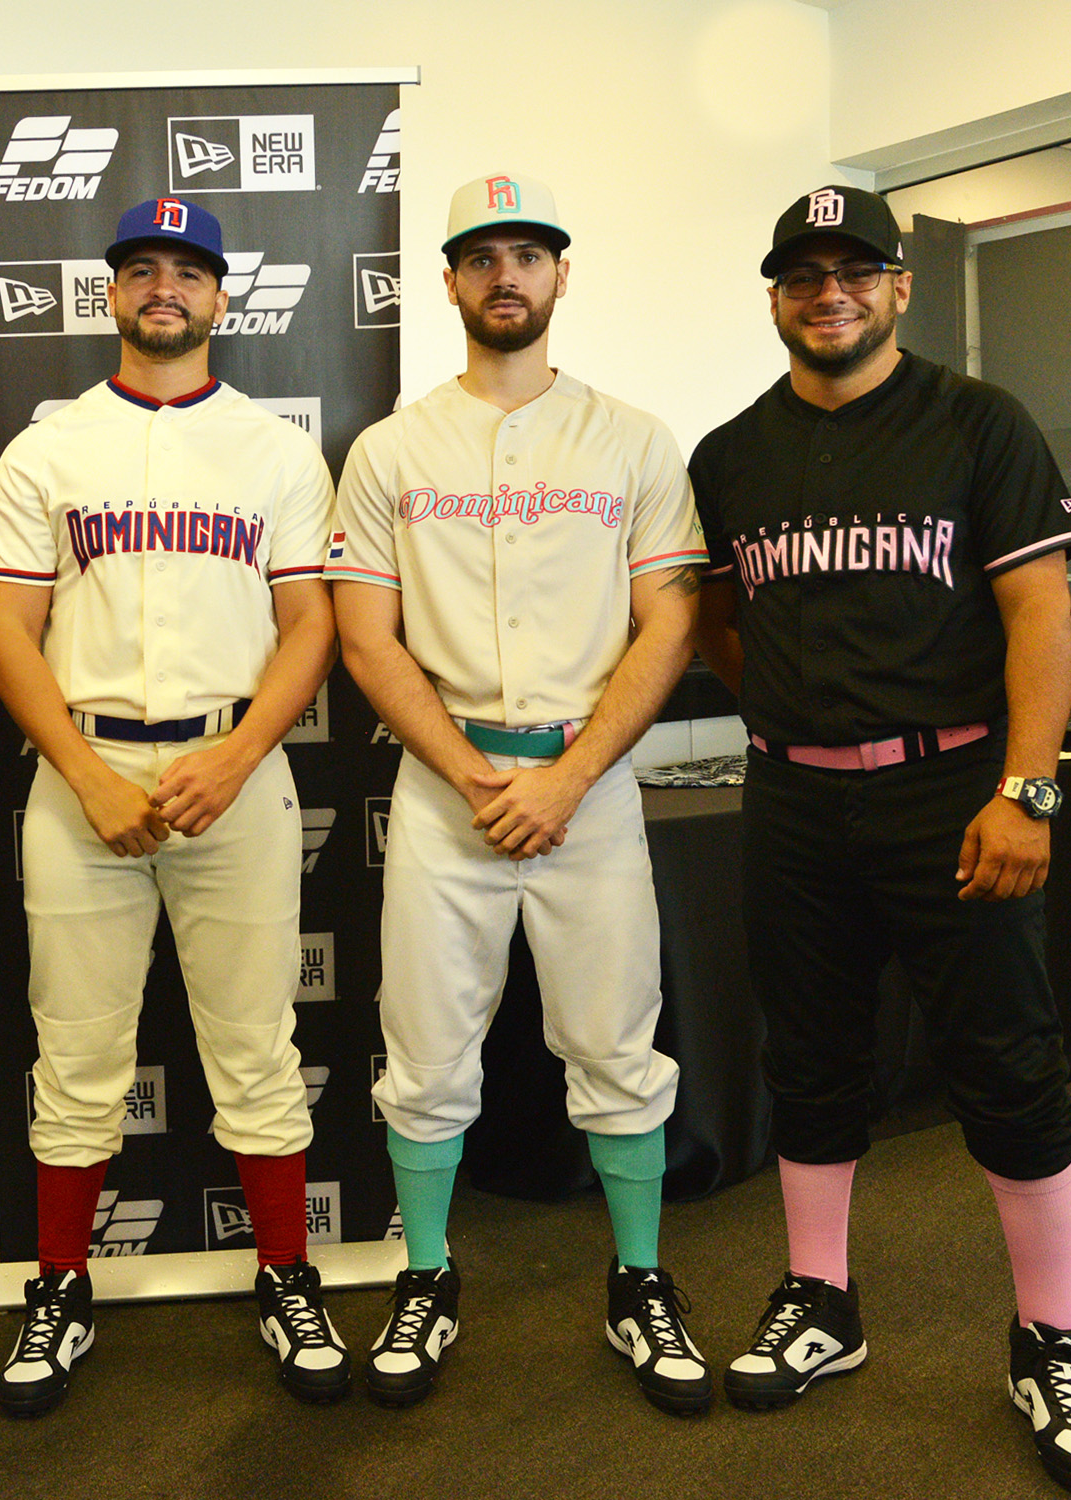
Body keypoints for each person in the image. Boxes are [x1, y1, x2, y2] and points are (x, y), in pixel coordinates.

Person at [688, 184, 1071, 1496]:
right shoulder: (729, 456)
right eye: (804, 273)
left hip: (953, 798)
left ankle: (1048, 1338)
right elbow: (718, 622)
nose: (832, 292)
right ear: (773, 293)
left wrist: (1027, 789)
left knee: (1007, 1063)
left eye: (856, 270)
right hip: (795, 800)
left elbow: (1042, 617)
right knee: (809, 1060)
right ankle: (823, 1303)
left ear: (899, 286)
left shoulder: (978, 422)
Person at [329, 172, 709, 1413]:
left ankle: (639, 1278)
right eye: (480, 256)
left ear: (559, 276)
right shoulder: (391, 449)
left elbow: (669, 621)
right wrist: (479, 776)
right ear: (447, 281)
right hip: (450, 788)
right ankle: (428, 1277)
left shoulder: (635, 439)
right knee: (428, 1053)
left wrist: (569, 776)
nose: (506, 275)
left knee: (613, 1040)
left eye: (528, 254)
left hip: (588, 785)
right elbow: (368, 640)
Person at [0, 197, 344, 1414]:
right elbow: (3, 629)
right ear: (113, 294)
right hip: (83, 774)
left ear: (222, 299)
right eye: (142, 269)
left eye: (189, 271)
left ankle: (287, 1275)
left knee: (255, 1046)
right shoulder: (49, 449)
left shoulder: (280, 452)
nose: (165, 288)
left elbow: (311, 625)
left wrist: (237, 756)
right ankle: (60, 1286)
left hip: (230, 770)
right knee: (75, 1054)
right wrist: (83, 775)